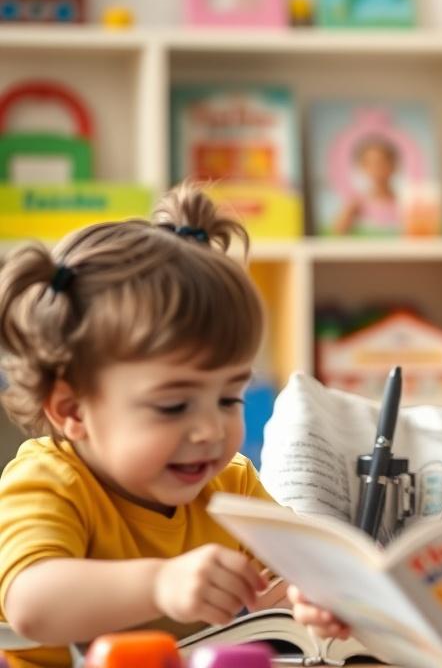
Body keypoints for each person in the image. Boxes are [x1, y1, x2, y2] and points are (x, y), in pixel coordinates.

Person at [0, 184, 283, 668]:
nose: (210, 430)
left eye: (229, 398)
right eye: (174, 406)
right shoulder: (50, 480)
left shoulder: (232, 483)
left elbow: (289, 580)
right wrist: (160, 583)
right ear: (72, 411)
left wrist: (315, 598)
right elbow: (31, 602)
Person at [335, 136, 402, 234]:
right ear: (363, 167)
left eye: (382, 163)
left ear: (393, 165)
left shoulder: (404, 202)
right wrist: (348, 214)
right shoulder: (357, 202)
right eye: (370, 164)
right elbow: (338, 231)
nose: (377, 169)